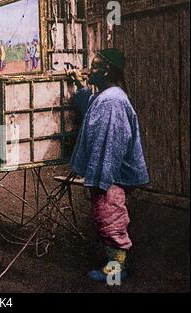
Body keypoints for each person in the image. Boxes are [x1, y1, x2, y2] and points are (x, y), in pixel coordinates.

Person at [67, 48, 149, 282]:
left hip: (110, 174)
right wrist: (78, 84)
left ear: (105, 71)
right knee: (107, 215)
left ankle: (116, 272)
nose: (88, 70)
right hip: (108, 173)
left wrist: (101, 180)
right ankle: (114, 264)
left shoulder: (112, 101)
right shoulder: (107, 96)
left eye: (93, 67)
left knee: (110, 216)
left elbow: (111, 144)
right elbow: (90, 103)